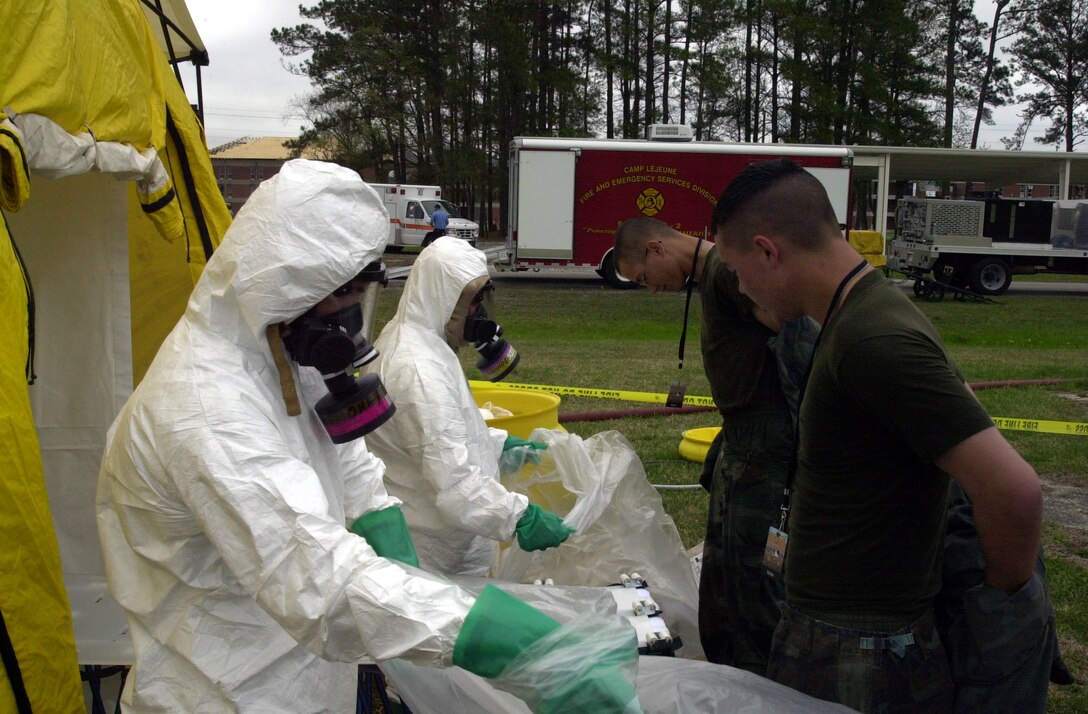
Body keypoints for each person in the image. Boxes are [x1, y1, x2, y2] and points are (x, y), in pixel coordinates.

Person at [96, 160, 637, 713]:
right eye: (341, 294)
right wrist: (523, 649)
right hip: (226, 690)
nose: (352, 319)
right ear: (289, 283)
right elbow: (317, 583)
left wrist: (394, 549)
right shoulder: (207, 410)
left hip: (305, 670)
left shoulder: (281, 350)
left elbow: (351, 464)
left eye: (361, 289)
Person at [710, 158, 1045, 713]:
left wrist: (996, 613)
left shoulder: (875, 339)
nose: (742, 290)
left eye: (737, 270)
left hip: (863, 650)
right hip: (840, 635)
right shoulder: (853, 315)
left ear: (769, 251)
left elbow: (1013, 489)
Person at [612, 217, 815, 675]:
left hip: (767, 453)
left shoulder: (728, 274)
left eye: (645, 278)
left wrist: (802, 437)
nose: (651, 290)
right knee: (724, 589)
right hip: (742, 445)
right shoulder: (711, 279)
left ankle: (766, 688)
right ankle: (729, 683)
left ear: (657, 248)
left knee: (757, 585)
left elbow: (799, 336)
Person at [364, 235, 573, 577]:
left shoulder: (425, 343)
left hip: (451, 543)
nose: (480, 314)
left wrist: (498, 445)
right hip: (429, 554)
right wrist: (519, 516)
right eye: (472, 303)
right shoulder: (417, 369)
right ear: (444, 297)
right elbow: (453, 483)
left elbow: (443, 434)